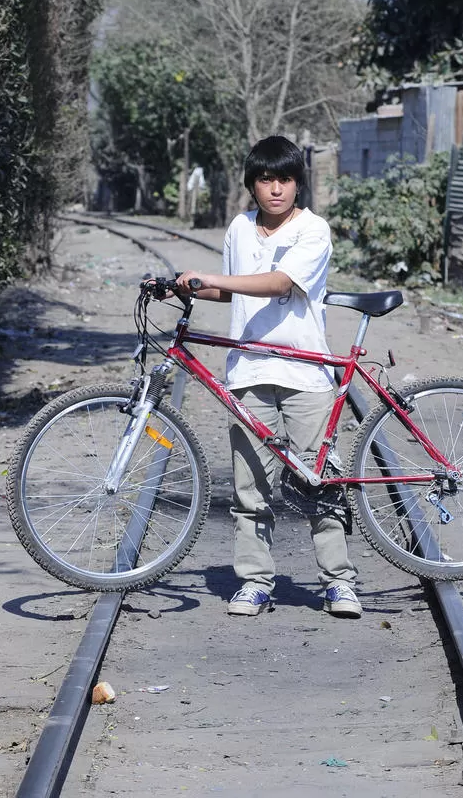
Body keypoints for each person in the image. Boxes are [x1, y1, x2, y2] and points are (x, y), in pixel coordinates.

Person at [176, 135, 361, 619]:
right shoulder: (239, 228)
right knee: (249, 488)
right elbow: (238, 292)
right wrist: (185, 288)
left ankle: (338, 582)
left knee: (319, 482)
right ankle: (255, 582)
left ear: (298, 183)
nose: (275, 189)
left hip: (305, 372)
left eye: (285, 179)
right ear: (251, 184)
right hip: (248, 370)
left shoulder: (314, 230)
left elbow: (279, 284)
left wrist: (213, 278)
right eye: (265, 179)